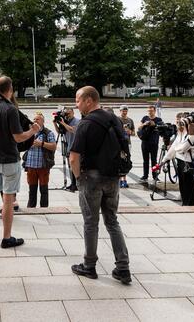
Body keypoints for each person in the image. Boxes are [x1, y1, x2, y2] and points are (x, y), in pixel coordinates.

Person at [70, 86, 131, 284]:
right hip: (113, 178)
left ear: (89, 100)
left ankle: (89, 266)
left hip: (91, 178)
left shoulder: (85, 124)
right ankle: (123, 267)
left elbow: (73, 158)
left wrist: (78, 179)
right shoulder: (114, 119)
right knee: (112, 221)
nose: (76, 104)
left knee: (91, 223)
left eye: (78, 100)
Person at [0, 76, 39, 248]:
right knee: (9, 198)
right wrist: (32, 130)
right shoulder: (10, 109)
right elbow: (18, 138)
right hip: (9, 159)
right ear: (10, 89)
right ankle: (7, 237)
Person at [161, 112, 194, 206]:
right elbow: (174, 147)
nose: (179, 124)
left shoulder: (192, 135)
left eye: (182, 122)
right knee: (182, 185)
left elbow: (182, 148)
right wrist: (164, 160)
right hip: (180, 161)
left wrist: (176, 148)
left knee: (188, 185)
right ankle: (185, 203)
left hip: (187, 163)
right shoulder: (181, 133)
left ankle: (192, 205)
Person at [24, 112, 56, 208]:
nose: (35, 121)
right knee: (32, 190)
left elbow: (53, 147)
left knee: (44, 190)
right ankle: (31, 208)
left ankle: (44, 209)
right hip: (31, 166)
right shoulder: (29, 132)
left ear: (43, 121)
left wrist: (41, 143)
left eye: (37, 119)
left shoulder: (48, 133)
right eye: (34, 119)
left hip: (43, 166)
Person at [54, 107, 79, 191]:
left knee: (75, 166)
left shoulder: (77, 121)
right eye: (66, 113)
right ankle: (73, 183)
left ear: (73, 113)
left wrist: (63, 123)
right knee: (70, 167)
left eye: (69, 113)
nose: (67, 115)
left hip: (75, 147)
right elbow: (60, 132)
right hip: (68, 146)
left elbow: (72, 130)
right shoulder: (66, 121)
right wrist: (55, 123)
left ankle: (76, 184)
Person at [137, 105, 163, 182]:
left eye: (151, 111)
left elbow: (160, 128)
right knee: (145, 160)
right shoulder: (145, 118)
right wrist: (144, 124)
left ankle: (155, 176)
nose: (150, 112)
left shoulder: (158, 119)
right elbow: (139, 127)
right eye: (148, 111)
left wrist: (154, 124)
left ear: (154, 111)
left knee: (154, 160)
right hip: (145, 142)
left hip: (154, 143)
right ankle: (145, 176)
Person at [118, 105, 135, 188]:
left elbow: (134, 133)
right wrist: (122, 129)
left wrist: (130, 131)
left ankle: (124, 180)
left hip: (127, 143)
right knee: (119, 160)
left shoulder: (130, 120)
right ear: (120, 111)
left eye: (125, 111)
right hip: (118, 143)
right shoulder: (117, 119)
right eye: (123, 111)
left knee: (126, 161)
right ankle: (119, 180)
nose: (124, 112)